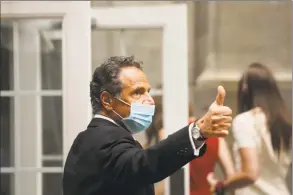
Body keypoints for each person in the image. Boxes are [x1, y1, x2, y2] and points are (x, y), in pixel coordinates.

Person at [62, 56, 233, 195]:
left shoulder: (95, 137)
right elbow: (143, 165)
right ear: (107, 100)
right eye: (138, 92)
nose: (150, 100)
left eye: (148, 92)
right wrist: (198, 131)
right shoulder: (103, 139)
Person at [207, 63, 292, 195]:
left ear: (245, 89)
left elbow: (250, 173)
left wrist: (221, 186)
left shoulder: (245, 121)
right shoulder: (284, 122)